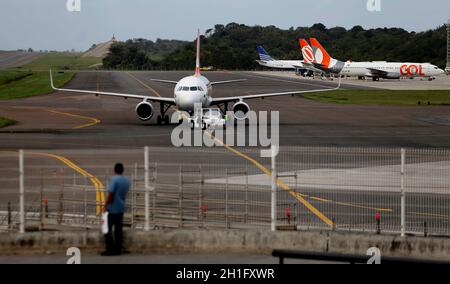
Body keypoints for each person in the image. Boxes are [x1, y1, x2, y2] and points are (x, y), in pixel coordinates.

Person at [102, 163, 129, 256]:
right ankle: (118, 249)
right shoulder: (126, 180)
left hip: (112, 208)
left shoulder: (114, 179)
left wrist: (105, 206)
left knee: (106, 229)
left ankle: (110, 249)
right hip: (121, 208)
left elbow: (110, 194)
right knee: (118, 230)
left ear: (115, 170)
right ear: (122, 170)